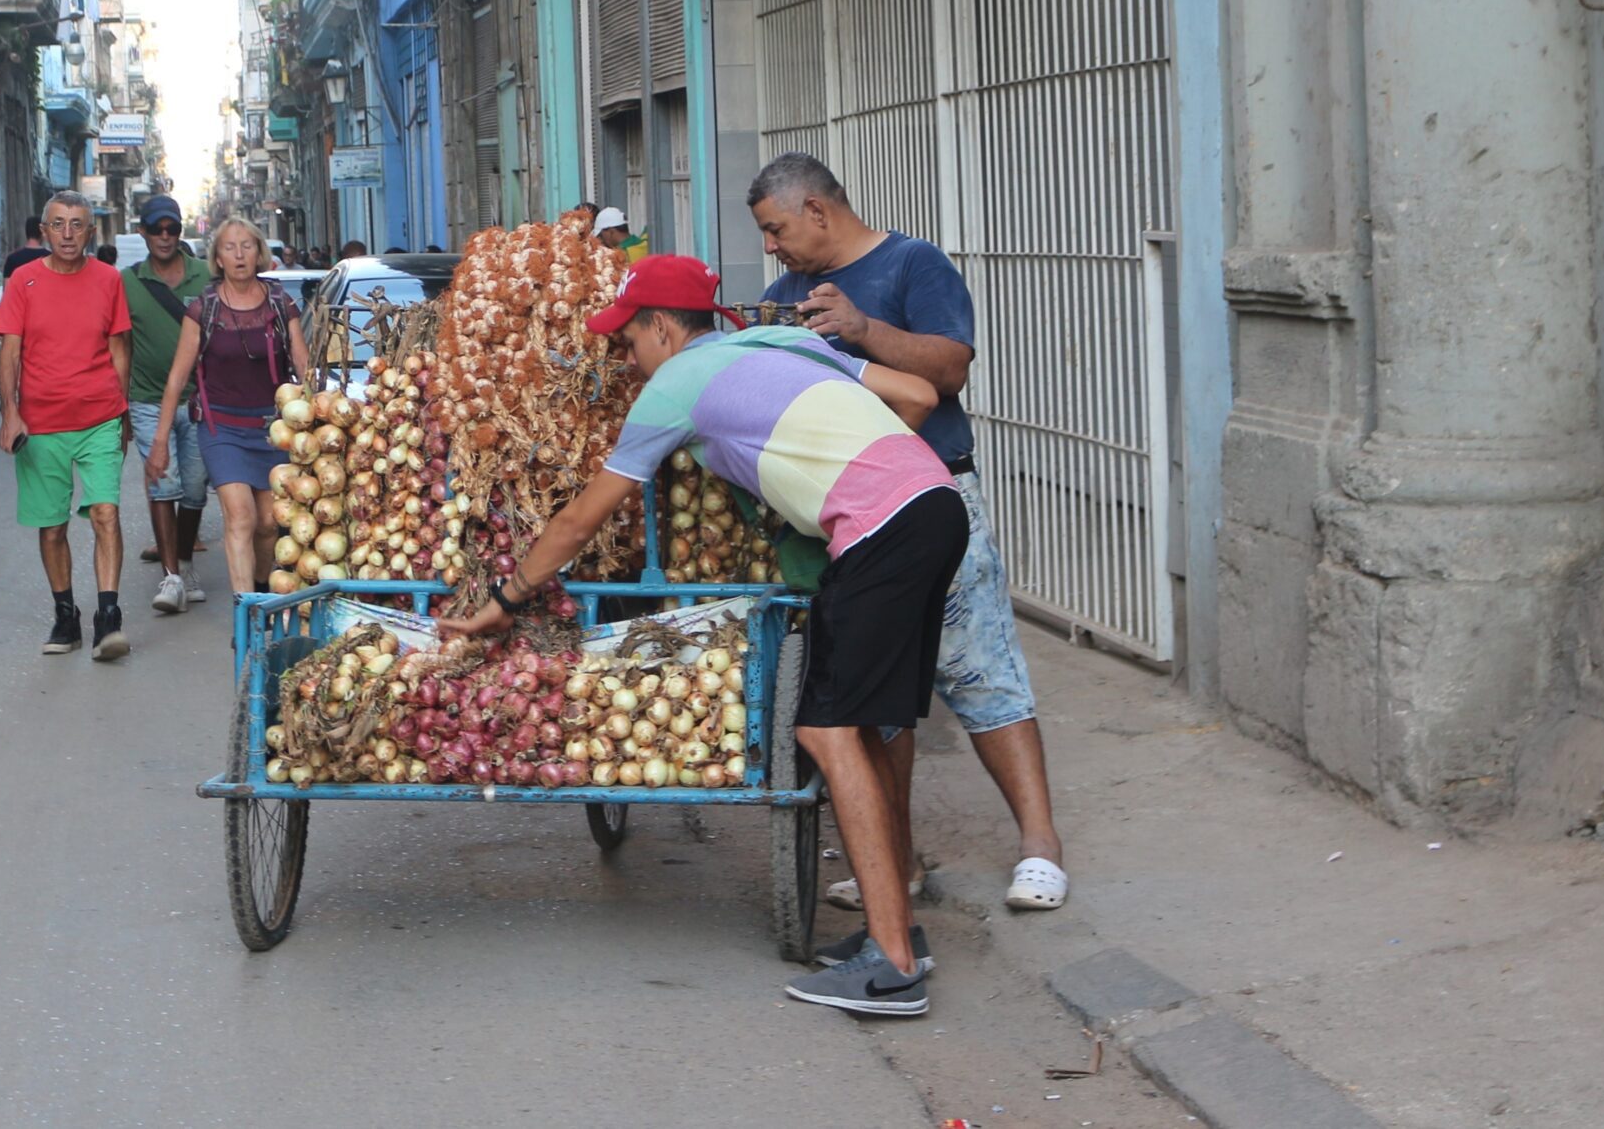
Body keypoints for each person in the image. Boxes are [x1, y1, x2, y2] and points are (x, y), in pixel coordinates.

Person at [436, 254, 961, 1016]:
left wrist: (506, 597)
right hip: (933, 504)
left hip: (881, 532)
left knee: (826, 728)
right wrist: (846, 469)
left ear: (661, 327)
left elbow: (585, 516)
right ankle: (897, 931)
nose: (625, 356)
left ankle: (891, 967)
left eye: (628, 339)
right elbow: (916, 392)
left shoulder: (677, 383)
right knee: (864, 728)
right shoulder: (787, 345)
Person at [749, 151, 1067, 915]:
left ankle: (1041, 847)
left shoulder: (913, 264)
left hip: (936, 495)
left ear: (818, 210)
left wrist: (862, 329)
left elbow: (950, 368)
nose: (771, 247)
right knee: (881, 701)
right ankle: (898, 860)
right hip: (847, 517)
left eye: (776, 228)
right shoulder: (782, 296)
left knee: (981, 671)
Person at [0, 191, 135, 660]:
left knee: (105, 514)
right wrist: (10, 413)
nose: (68, 234)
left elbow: (119, 349)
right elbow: (10, 350)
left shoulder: (109, 280)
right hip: (41, 422)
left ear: (91, 233)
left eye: (77, 225)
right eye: (59, 224)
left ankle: (108, 617)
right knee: (52, 526)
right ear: (44, 231)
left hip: (99, 415)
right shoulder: (22, 281)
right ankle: (65, 615)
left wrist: (124, 411)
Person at [146, 217, 312, 599]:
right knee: (241, 517)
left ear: (259, 253)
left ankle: (258, 589)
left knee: (269, 525)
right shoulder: (203, 309)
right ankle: (246, 610)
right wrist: (159, 441)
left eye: (247, 246)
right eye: (229, 247)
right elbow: (177, 378)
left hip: (274, 428)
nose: (239, 254)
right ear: (217, 258)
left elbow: (302, 366)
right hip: (221, 428)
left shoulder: (279, 302)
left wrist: (317, 411)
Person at [121, 195, 213, 613]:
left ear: (180, 232)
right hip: (146, 399)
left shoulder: (205, 275)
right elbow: (118, 343)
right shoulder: (128, 282)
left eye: (172, 229)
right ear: (142, 231)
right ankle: (171, 577)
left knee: (194, 488)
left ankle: (187, 565)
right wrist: (119, 402)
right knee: (162, 480)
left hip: (199, 399)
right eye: (156, 229)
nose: (164, 236)